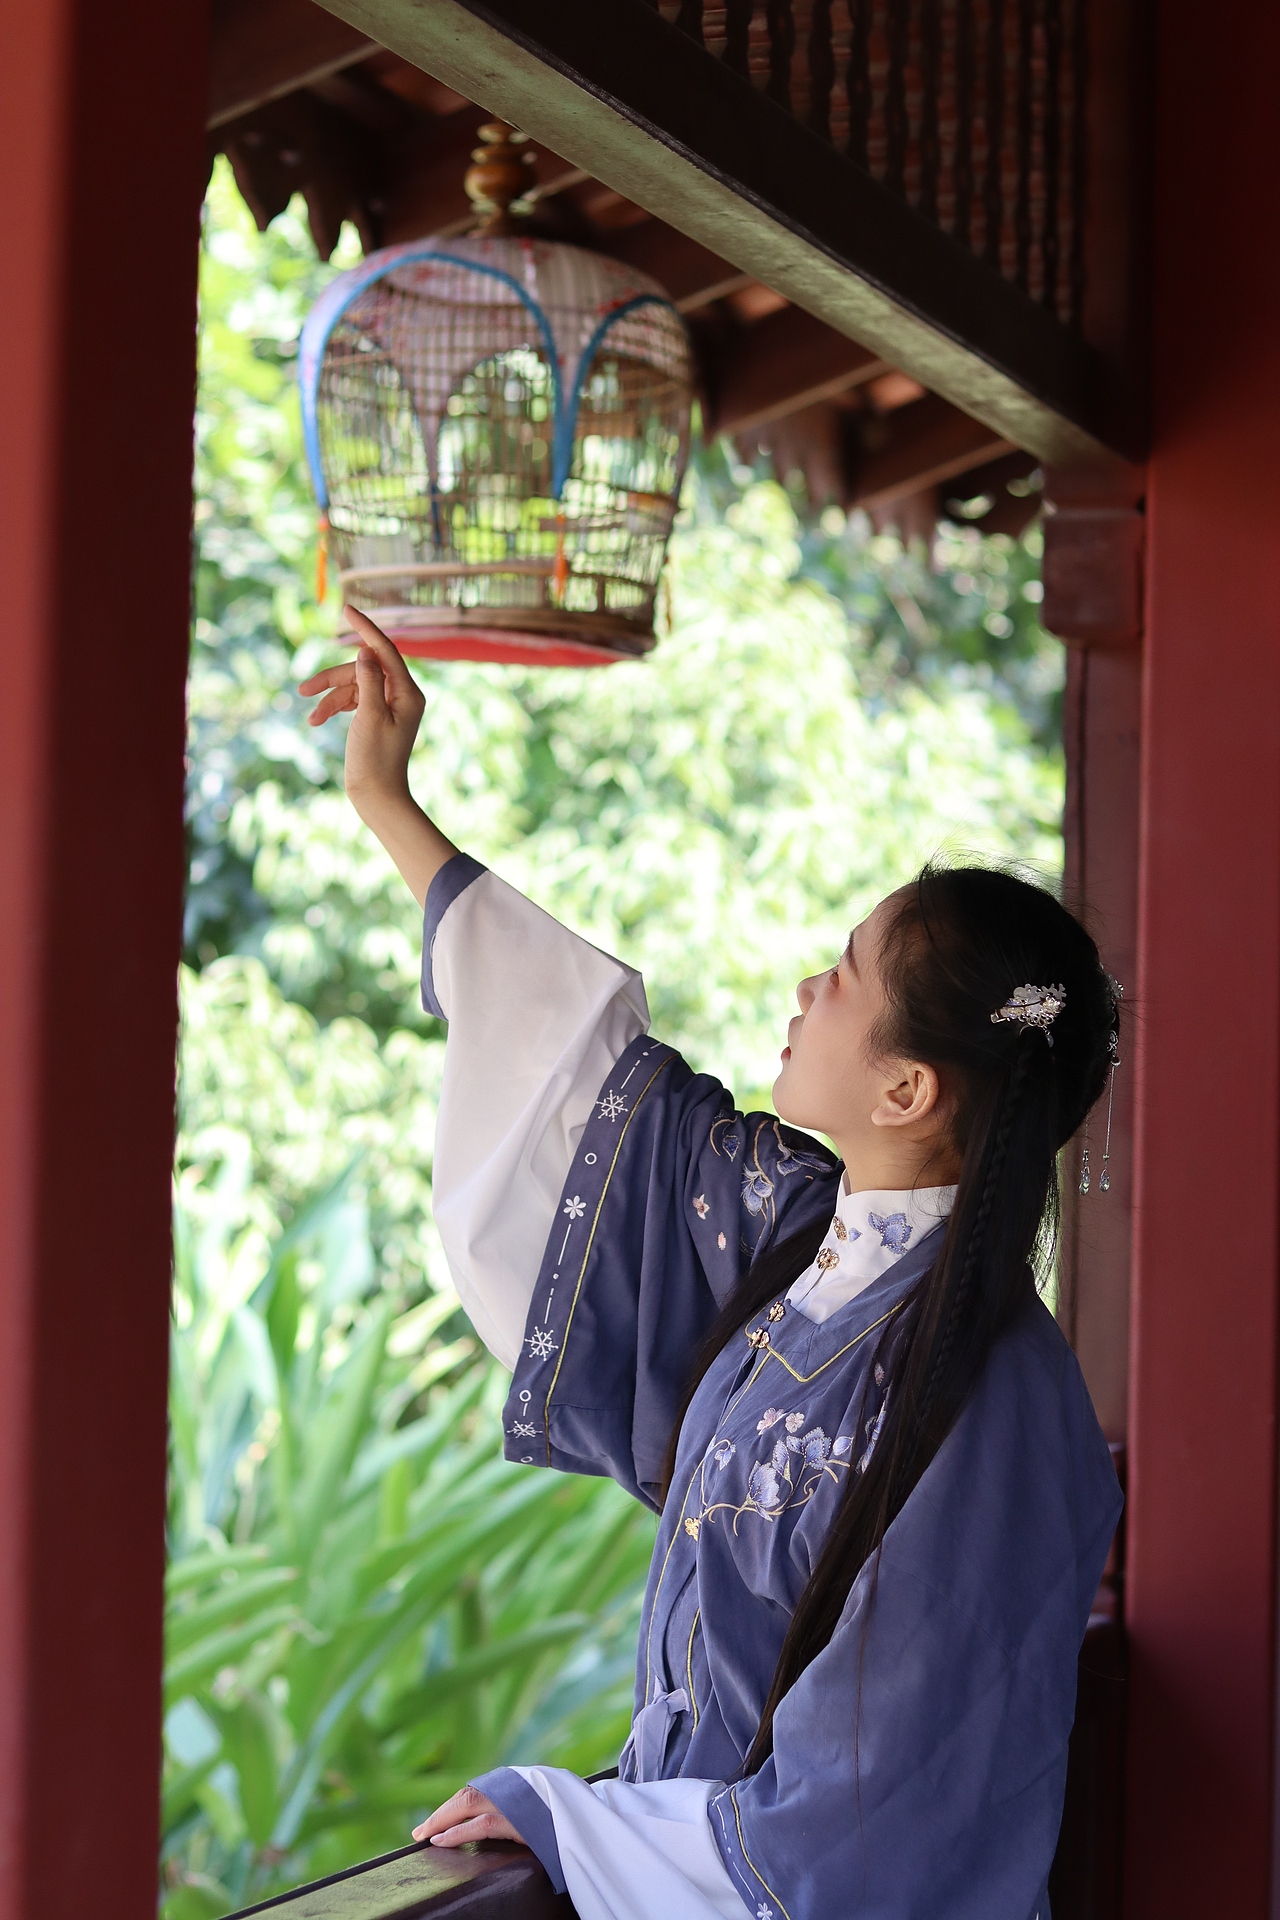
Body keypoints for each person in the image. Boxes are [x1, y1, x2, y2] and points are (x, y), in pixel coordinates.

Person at [299, 609, 1123, 1920]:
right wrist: (389, 801)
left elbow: (868, 1833)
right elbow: (584, 1077)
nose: (807, 986)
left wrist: (576, 1821)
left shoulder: (996, 1403)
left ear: (908, 1088)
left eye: (845, 976)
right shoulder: (794, 1236)